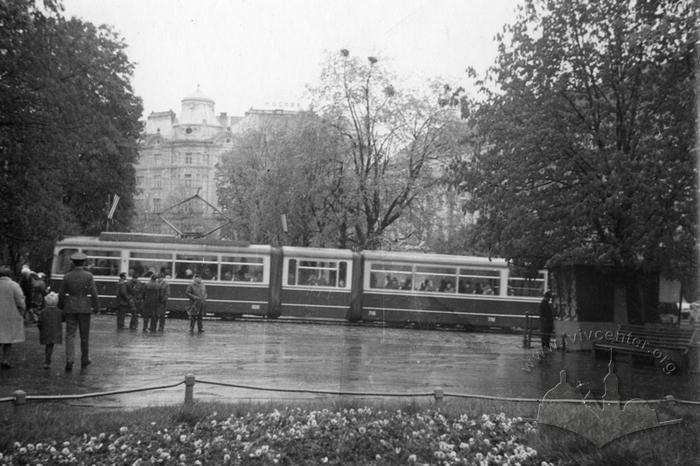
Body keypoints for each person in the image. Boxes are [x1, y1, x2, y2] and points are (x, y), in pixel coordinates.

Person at [58, 252, 99, 371]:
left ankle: (69, 360)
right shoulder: (89, 276)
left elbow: (61, 295)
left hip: (70, 307)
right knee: (84, 335)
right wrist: (96, 307)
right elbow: (94, 293)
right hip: (84, 308)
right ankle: (84, 359)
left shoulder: (67, 276)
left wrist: (61, 308)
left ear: (73, 262)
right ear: (84, 262)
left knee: (70, 335)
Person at [0, 265, 25, 369]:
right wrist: (21, 312)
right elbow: (20, 301)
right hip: (9, 316)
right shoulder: (14, 285)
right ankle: (5, 359)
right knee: (8, 339)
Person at [38, 291, 62, 369]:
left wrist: (40, 329)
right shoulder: (59, 312)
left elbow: (39, 322)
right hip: (55, 332)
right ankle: (47, 361)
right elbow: (63, 319)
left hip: (45, 332)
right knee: (50, 346)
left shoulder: (43, 311)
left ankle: (47, 361)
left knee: (47, 346)